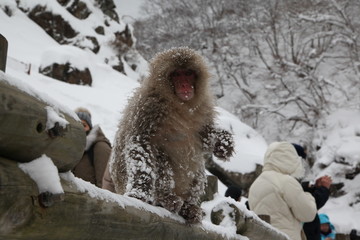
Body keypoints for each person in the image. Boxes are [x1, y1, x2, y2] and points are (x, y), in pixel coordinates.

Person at [248, 141, 317, 240]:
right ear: (289, 159)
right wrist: (308, 196)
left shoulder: (255, 185)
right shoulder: (286, 182)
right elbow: (308, 214)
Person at [292, 143, 332, 240]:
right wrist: (323, 189)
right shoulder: (287, 179)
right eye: (301, 160)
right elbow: (307, 206)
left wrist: (314, 188)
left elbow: (300, 193)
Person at [72, 107, 111, 188]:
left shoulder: (100, 147)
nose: (80, 128)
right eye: (77, 124)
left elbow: (105, 185)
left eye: (84, 125)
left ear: (89, 127)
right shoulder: (68, 147)